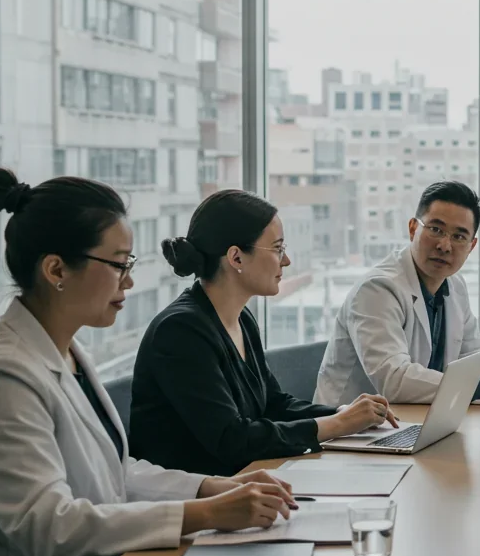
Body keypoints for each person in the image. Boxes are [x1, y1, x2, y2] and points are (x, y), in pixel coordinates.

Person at [0, 169, 297, 556]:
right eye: (117, 264)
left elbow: (115, 474)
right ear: (56, 270)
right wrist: (202, 512)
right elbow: (50, 527)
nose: (129, 281)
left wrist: (216, 487)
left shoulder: (65, 354)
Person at [131, 190, 395, 476]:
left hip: (245, 483)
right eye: (278, 249)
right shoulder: (180, 331)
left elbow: (273, 404)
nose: (287, 261)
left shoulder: (241, 317)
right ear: (236, 258)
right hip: (199, 502)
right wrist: (337, 425)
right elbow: (232, 440)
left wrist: (343, 413)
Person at [315, 180, 480, 406]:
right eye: (436, 230)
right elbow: (394, 379)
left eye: (459, 236)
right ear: (412, 228)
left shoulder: (454, 285)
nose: (445, 246)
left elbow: (474, 352)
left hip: (414, 421)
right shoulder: (377, 289)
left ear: (471, 246)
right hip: (350, 434)